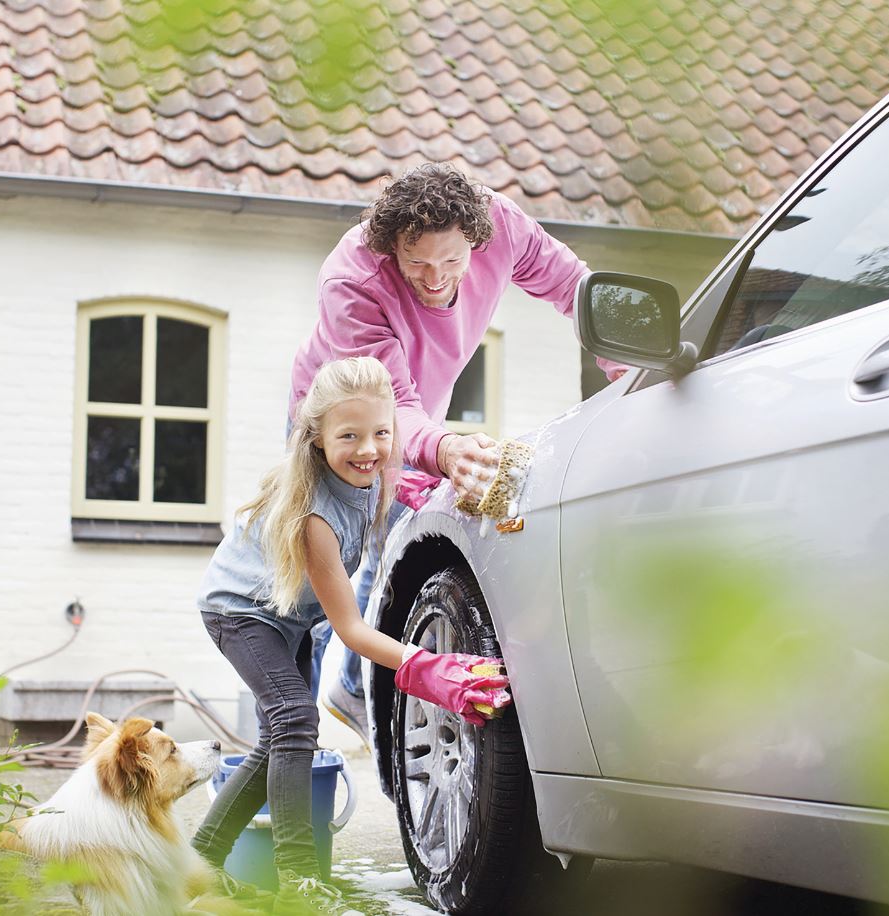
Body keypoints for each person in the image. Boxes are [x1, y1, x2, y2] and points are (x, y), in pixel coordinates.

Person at [290, 164, 629, 743]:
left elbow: (576, 287)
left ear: (477, 239)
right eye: (416, 263)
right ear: (391, 247)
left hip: (418, 413)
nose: (436, 279)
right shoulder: (352, 282)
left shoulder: (503, 225)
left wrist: (624, 363)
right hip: (342, 420)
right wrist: (443, 447)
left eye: (452, 262)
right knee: (319, 585)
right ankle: (293, 733)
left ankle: (353, 684)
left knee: (397, 529)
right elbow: (389, 408)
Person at [193, 356, 512, 914]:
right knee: (295, 719)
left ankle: (197, 862)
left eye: (381, 433)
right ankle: (300, 882)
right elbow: (352, 628)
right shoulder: (313, 516)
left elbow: (391, 489)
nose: (368, 449)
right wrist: (427, 668)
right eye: (349, 436)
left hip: (290, 615)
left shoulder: (372, 472)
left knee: (279, 739)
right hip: (241, 611)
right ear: (317, 440)